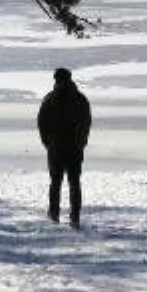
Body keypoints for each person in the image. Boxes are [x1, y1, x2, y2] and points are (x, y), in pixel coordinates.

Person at [37, 67, 91, 228]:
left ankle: (54, 214)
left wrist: (47, 143)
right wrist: (81, 142)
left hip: (56, 148)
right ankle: (75, 216)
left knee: (56, 182)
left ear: (56, 79)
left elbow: (41, 122)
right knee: (74, 182)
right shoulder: (80, 98)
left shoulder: (50, 98)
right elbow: (86, 122)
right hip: (74, 147)